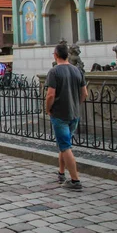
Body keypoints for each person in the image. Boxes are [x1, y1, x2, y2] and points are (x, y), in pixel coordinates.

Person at [46, 43, 87, 191]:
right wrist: (77, 104)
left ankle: (75, 180)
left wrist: (48, 109)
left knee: (65, 146)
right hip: (74, 114)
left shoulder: (54, 72)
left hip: (59, 114)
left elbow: (50, 95)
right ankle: (61, 173)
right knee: (64, 144)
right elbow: (85, 93)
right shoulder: (77, 71)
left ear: (56, 55)